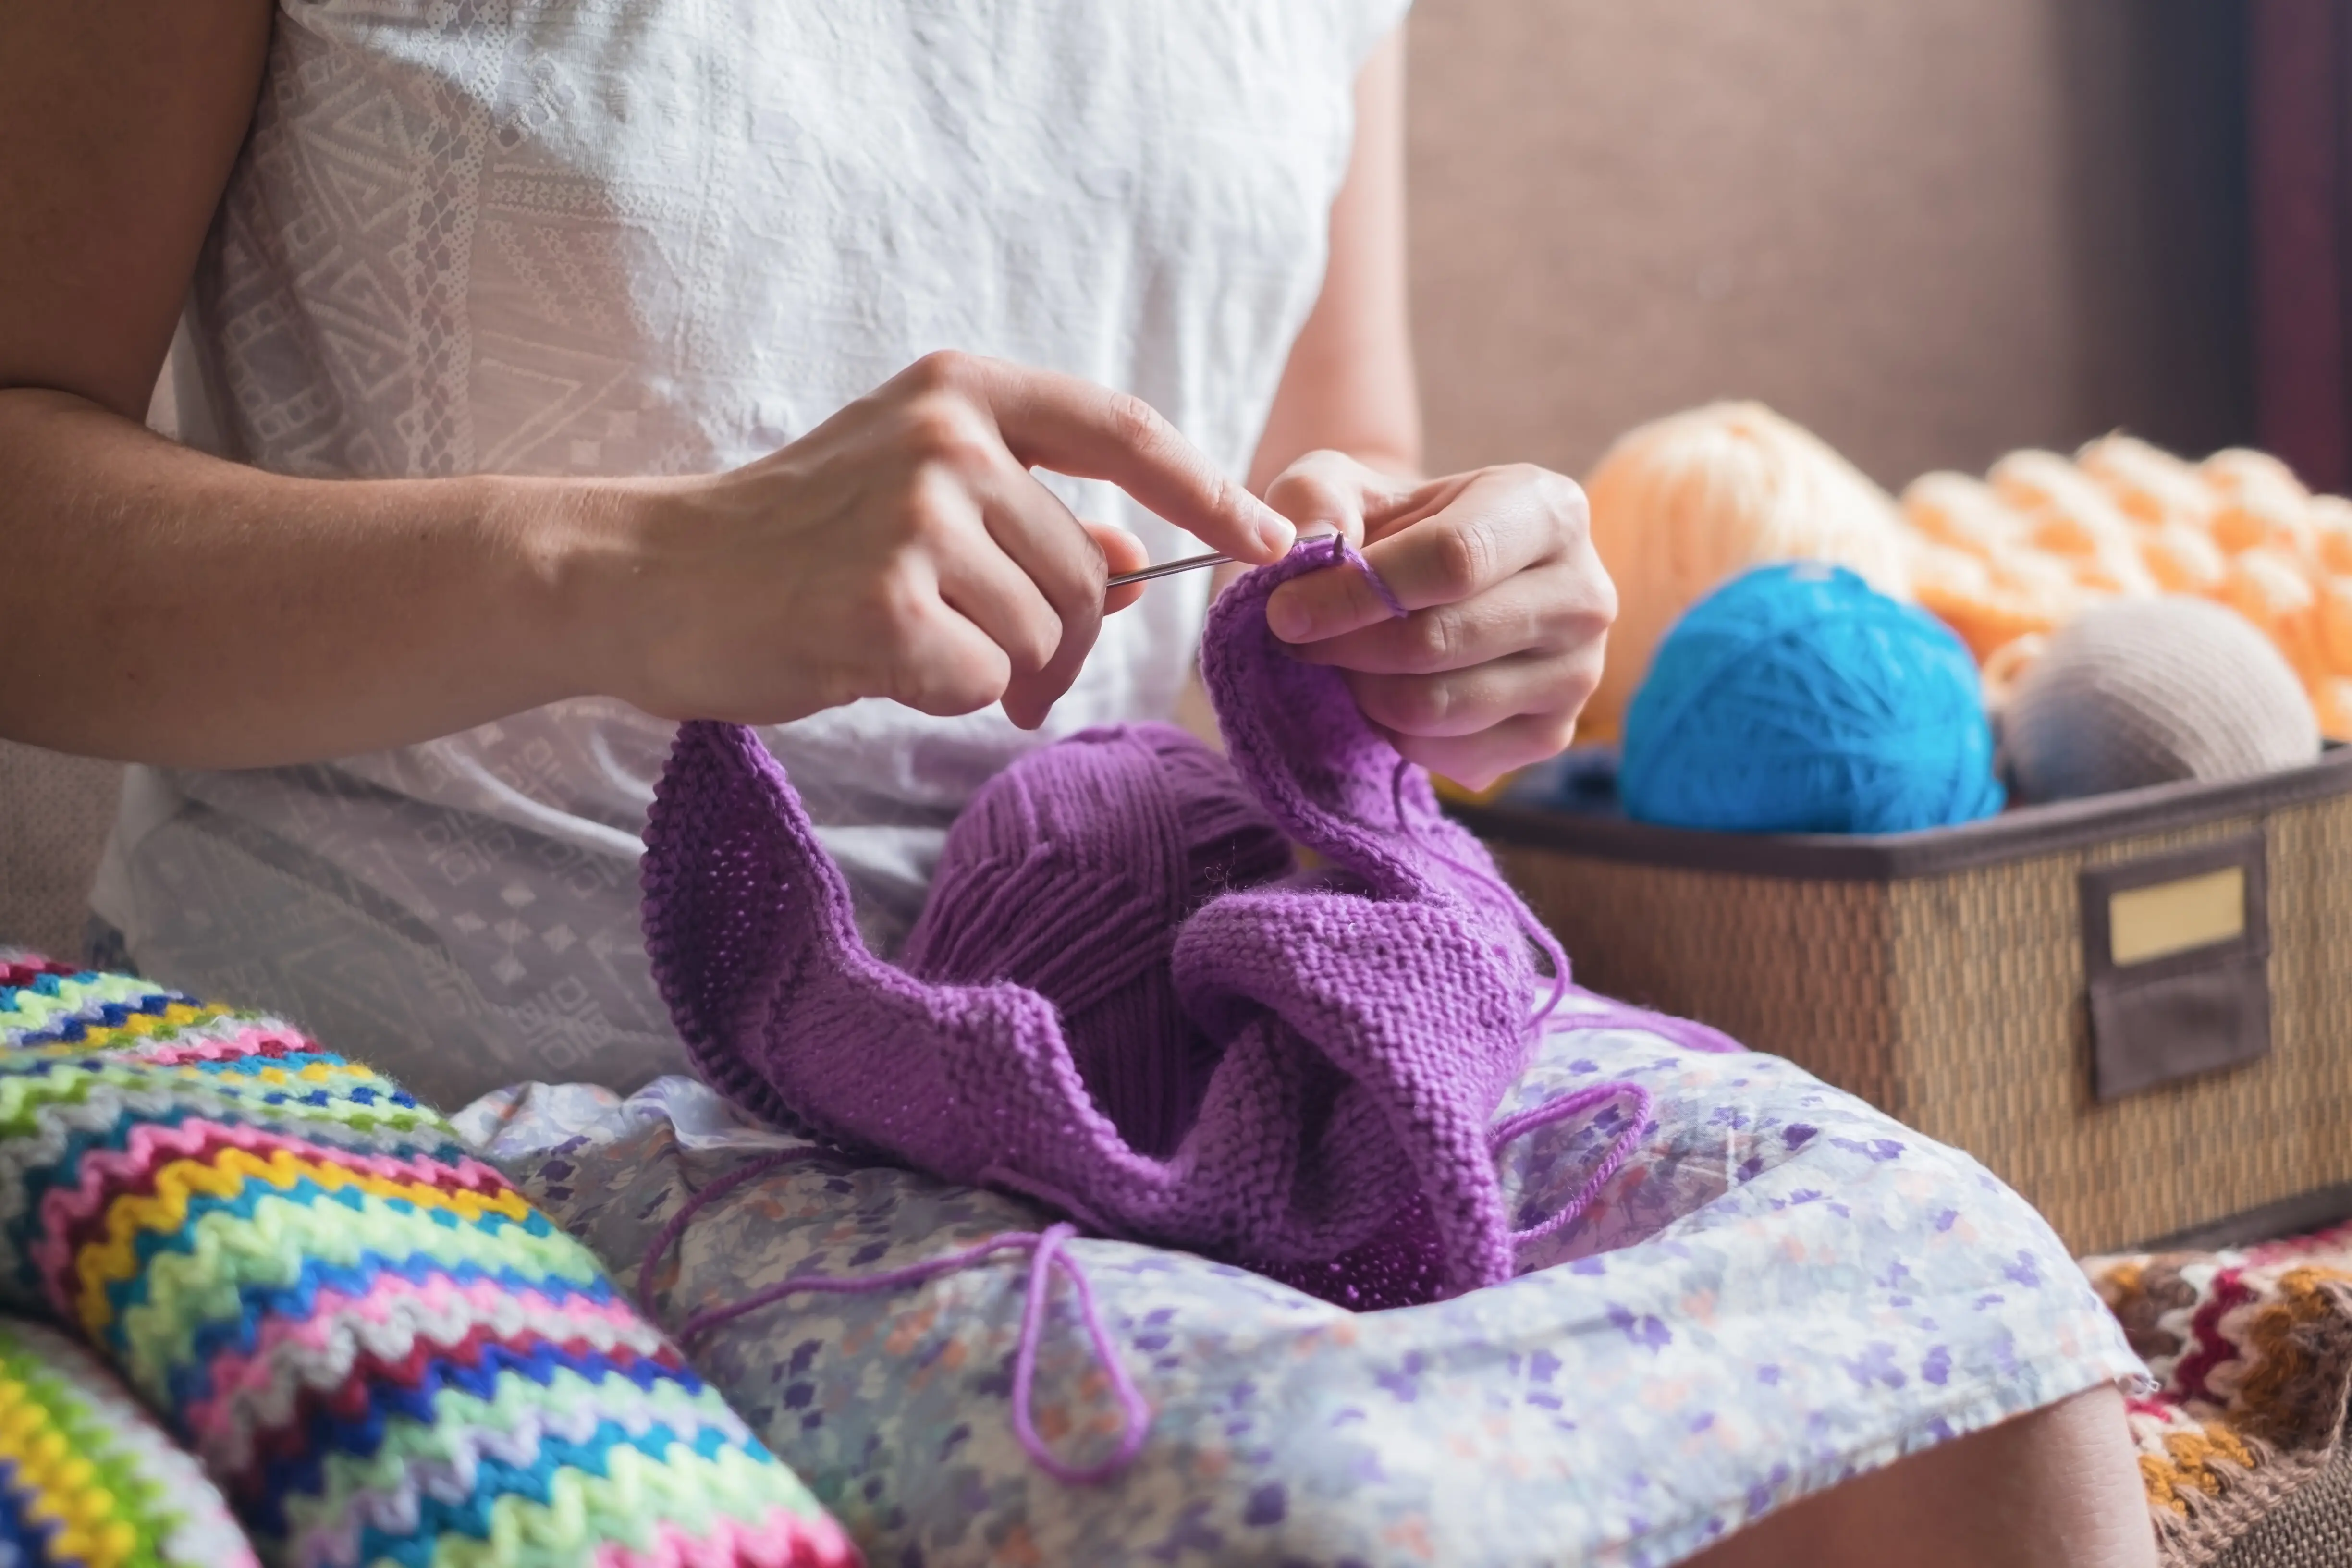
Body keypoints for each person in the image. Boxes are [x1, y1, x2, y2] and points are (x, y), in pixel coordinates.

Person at [0, 3, 2153, 1562]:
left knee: (1991, 1347)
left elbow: (1319, 490)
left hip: (1159, 1022)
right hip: (505, 1073)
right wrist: (633, 568)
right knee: (1322, 1514)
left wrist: (1438, 635)